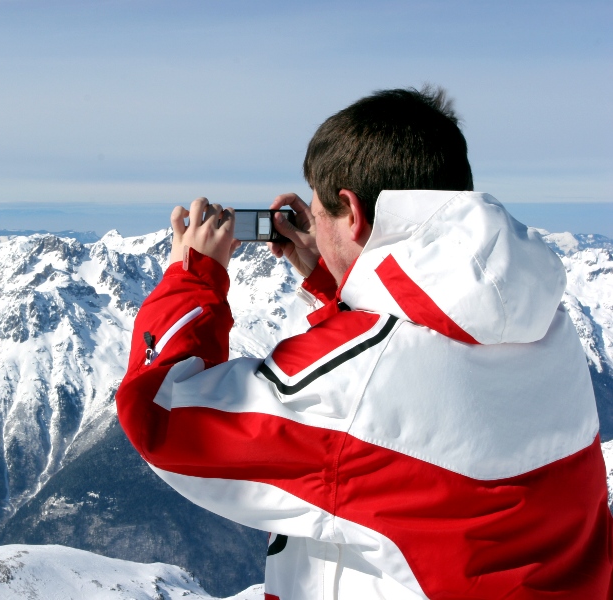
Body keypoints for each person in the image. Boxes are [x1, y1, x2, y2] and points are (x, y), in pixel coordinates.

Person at [115, 87, 612, 599]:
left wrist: (193, 277)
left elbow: (161, 414)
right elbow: (405, 383)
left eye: (319, 212)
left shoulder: (360, 383)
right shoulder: (543, 324)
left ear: (350, 211)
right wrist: (340, 277)